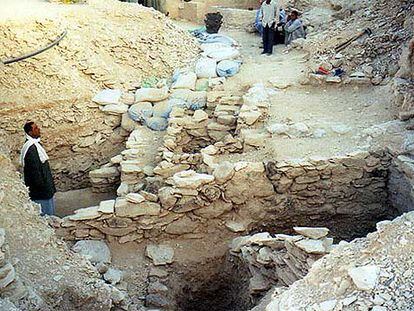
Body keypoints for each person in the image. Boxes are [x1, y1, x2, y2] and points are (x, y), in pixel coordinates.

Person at [20, 122, 56, 216]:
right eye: (35, 128)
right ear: (30, 132)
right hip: (40, 190)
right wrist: (44, 187)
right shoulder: (31, 148)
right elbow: (35, 172)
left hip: (44, 187)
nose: (39, 129)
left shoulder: (35, 145)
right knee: (45, 213)